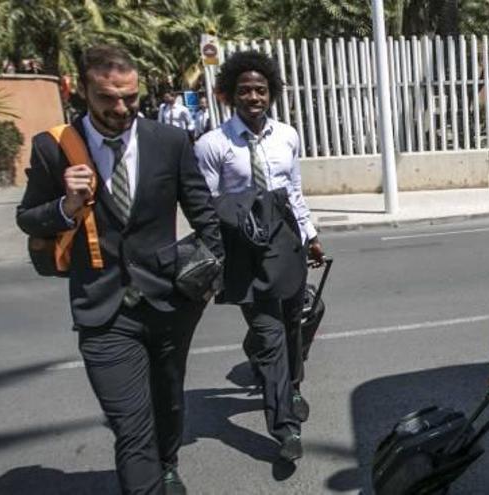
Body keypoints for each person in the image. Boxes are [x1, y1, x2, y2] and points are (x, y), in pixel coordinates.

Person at [17, 44, 223, 494]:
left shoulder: (167, 141)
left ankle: (168, 463)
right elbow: (28, 217)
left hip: (171, 301)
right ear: (83, 92)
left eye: (129, 97)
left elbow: (203, 212)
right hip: (102, 309)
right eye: (108, 98)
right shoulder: (55, 148)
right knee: (131, 425)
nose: (121, 108)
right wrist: (64, 205)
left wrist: (211, 273)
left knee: (168, 401)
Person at [194, 50, 325, 463]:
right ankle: (285, 427)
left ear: (271, 93)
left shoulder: (287, 136)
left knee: (292, 325)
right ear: (231, 95)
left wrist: (311, 234)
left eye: (261, 90)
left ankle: (293, 385)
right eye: (245, 90)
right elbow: (207, 206)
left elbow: (295, 190)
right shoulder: (213, 144)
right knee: (270, 339)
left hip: (287, 245)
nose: (254, 97)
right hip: (245, 254)